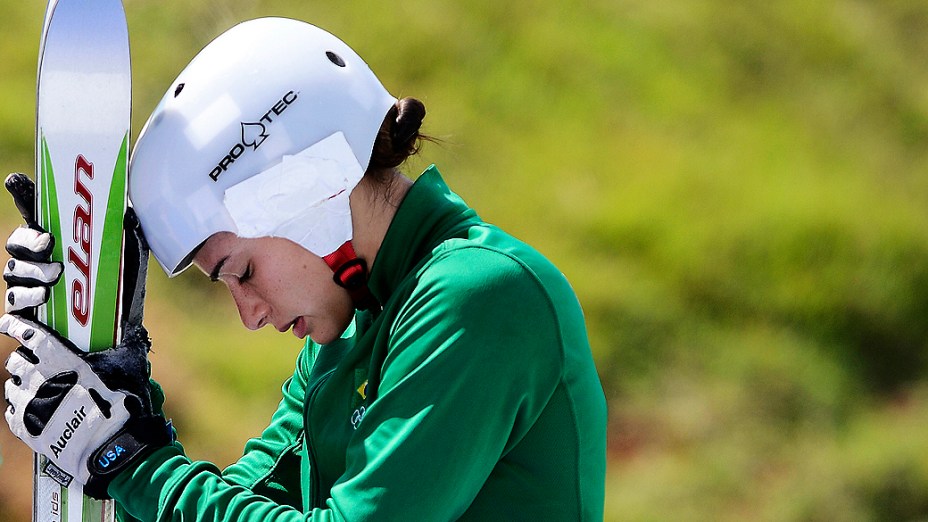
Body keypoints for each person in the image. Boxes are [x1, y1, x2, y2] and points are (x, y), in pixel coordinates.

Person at [2, 17, 607, 520]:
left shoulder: (477, 296)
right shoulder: (352, 326)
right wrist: (120, 380)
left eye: (240, 273)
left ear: (302, 195)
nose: (250, 314)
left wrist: (129, 460)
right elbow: (241, 504)